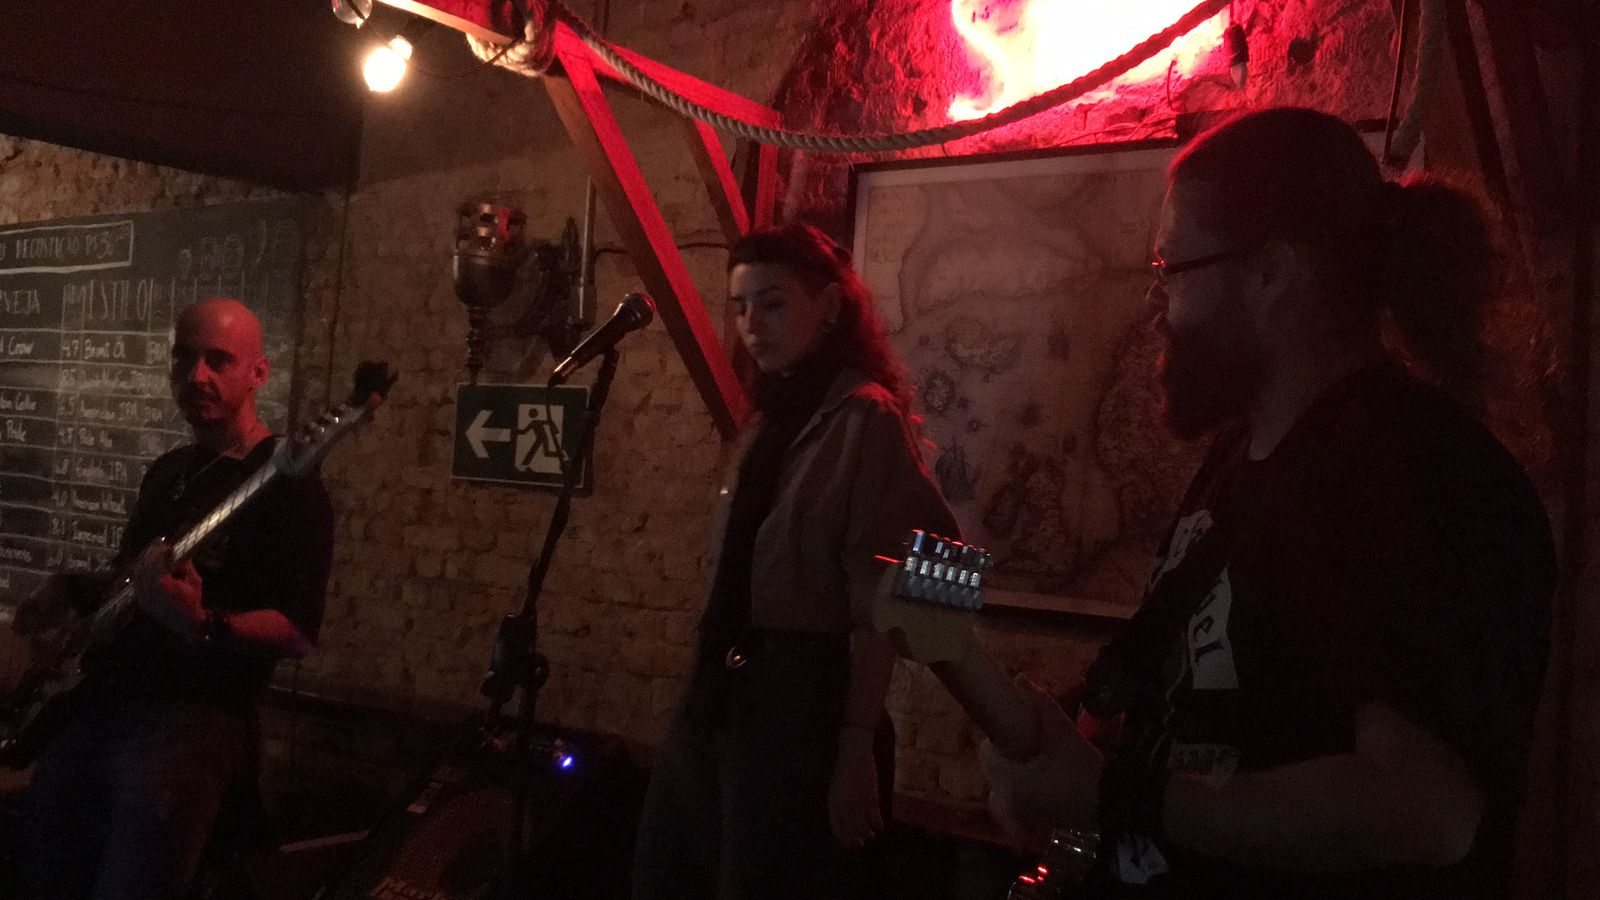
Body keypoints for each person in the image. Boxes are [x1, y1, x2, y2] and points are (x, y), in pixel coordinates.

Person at [979, 108, 1555, 899]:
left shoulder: (1423, 473)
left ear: (1269, 276)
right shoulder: (1243, 456)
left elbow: (1425, 810)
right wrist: (1074, 747)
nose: (1155, 304)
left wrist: (1116, 797)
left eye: (1171, 269)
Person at [630, 224, 958, 899]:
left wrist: (856, 743)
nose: (752, 325)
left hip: (798, 702)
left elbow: (914, 585)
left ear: (829, 306)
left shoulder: (865, 418)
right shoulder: (769, 418)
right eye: (740, 307)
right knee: (670, 873)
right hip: (720, 689)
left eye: (773, 304)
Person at [14, 297, 335, 899]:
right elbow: (129, 582)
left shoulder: (289, 485)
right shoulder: (169, 471)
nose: (197, 375)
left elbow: (297, 631)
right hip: (102, 705)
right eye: (184, 358)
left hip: (192, 725)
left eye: (218, 360)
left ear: (259, 372)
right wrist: (72, 597)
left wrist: (203, 622)